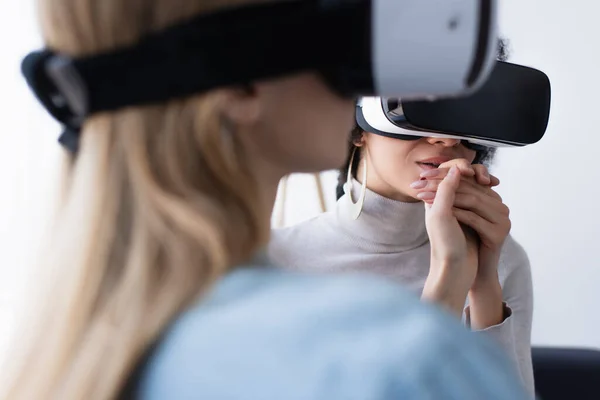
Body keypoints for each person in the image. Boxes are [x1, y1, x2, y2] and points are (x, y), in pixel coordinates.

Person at [2, 1, 530, 399]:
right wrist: (439, 304)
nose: (366, 67)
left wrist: (476, 286)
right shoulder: (405, 359)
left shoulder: (86, 336)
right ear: (242, 83)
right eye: (337, 30)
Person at [269, 45, 535, 397]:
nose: (447, 138)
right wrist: (448, 277)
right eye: (420, 106)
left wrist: (483, 286)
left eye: (464, 111)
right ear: (356, 121)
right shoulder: (276, 263)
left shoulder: (500, 257)